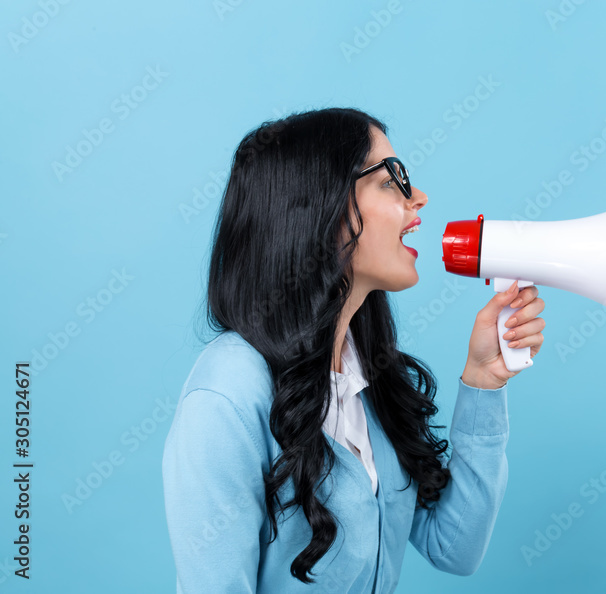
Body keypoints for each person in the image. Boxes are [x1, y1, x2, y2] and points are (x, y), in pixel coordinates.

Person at [161, 107, 545, 593]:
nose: (419, 198)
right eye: (392, 181)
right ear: (319, 203)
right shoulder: (228, 395)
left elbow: (455, 546)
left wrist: (484, 381)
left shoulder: (366, 376)